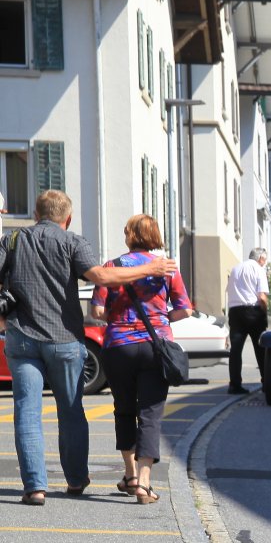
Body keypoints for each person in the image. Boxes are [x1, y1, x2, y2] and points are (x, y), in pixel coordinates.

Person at [0, 189, 175, 504]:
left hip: (22, 338)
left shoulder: (12, 241)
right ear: (68, 218)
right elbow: (102, 277)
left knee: (26, 410)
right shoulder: (73, 242)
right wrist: (150, 268)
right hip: (64, 338)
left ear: (36, 215)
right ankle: (76, 479)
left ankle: (35, 487)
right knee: (70, 410)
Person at [91, 214, 192, 506]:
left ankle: (130, 474)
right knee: (150, 414)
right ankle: (145, 484)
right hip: (154, 347)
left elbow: (97, 311)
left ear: (130, 236)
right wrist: (160, 318)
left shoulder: (111, 266)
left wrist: (119, 319)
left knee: (123, 409)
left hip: (118, 346)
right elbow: (185, 309)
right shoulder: (167, 268)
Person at [226, 247, 269, 393]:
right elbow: (262, 297)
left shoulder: (235, 269)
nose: (264, 263)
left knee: (235, 350)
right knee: (261, 347)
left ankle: (234, 384)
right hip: (253, 311)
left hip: (235, 311)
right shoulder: (258, 269)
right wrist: (265, 312)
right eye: (264, 260)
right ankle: (267, 381)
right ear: (260, 258)